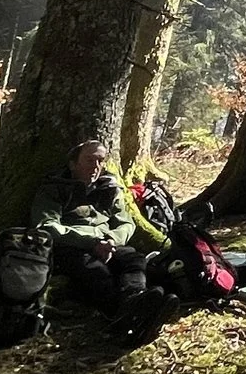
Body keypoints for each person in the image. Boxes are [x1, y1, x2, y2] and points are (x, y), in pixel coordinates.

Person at [28, 140, 153, 327]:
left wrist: (112, 240)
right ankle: (118, 314)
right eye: (89, 160)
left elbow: (126, 222)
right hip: (71, 248)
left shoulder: (110, 188)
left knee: (134, 260)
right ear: (73, 164)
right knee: (96, 272)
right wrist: (92, 242)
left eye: (100, 161)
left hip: (108, 244)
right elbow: (46, 225)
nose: (96, 166)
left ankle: (135, 300)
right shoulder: (54, 189)